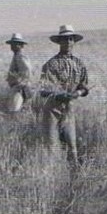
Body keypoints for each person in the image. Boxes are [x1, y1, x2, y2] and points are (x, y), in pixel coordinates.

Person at [39, 24, 89, 164]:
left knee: (72, 147)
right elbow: (43, 90)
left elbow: (84, 87)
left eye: (71, 39)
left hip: (69, 110)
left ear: (74, 42)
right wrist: (59, 94)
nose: (68, 42)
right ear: (59, 42)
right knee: (52, 147)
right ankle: (53, 178)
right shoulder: (51, 64)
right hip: (52, 110)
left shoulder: (79, 64)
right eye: (65, 39)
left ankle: (74, 179)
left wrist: (77, 93)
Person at [4, 33, 32, 113]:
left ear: (21, 45)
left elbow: (27, 71)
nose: (12, 46)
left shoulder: (20, 56)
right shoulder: (17, 55)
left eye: (15, 44)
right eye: (12, 44)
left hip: (20, 89)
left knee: (14, 111)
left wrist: (21, 83)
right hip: (18, 87)